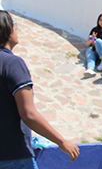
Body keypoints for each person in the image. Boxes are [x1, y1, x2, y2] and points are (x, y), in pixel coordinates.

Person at [0, 11, 80, 166]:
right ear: (6, 30)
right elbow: (28, 114)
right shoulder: (12, 64)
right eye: (14, 25)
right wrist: (61, 141)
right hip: (13, 158)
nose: (17, 29)